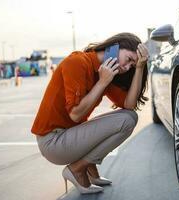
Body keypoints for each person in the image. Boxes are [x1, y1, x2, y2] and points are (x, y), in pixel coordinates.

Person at [31, 32, 149, 194]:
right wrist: (102, 82)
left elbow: (129, 105)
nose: (128, 68)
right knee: (126, 121)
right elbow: (75, 115)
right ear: (115, 47)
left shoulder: (104, 73)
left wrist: (140, 68)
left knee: (129, 117)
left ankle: (89, 168)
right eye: (129, 60)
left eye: (132, 66)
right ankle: (78, 169)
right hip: (53, 142)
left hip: (68, 136)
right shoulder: (77, 62)